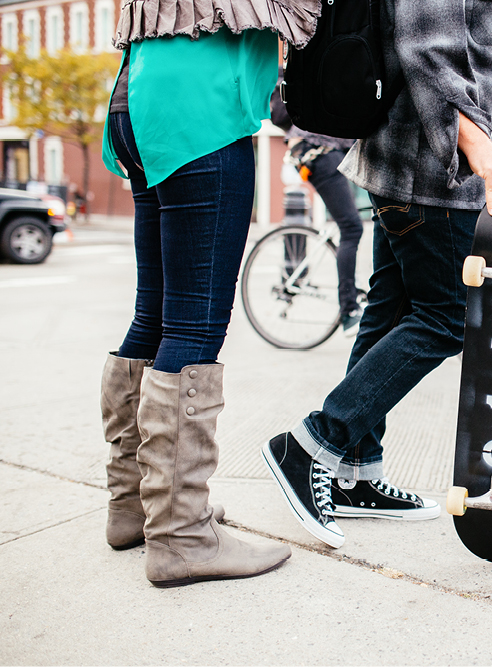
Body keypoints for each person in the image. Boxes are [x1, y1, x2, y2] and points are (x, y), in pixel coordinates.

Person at [262, 0, 492, 548]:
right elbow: (429, 52)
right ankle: (316, 443)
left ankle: (355, 475)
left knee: (389, 313)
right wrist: (482, 150)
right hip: (432, 174)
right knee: (447, 318)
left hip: (404, 164)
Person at [98, 0, 322, 586]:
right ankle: (181, 536)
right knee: (193, 327)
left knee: (154, 316)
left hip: (137, 95)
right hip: (202, 105)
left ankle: (136, 507)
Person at [283, 123, 365, 332]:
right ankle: (349, 310)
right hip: (320, 150)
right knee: (351, 228)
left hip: (320, 150)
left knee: (352, 221)